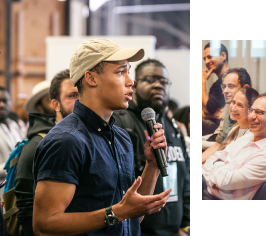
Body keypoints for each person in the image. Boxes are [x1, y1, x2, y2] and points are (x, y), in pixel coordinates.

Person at [32, 39, 172, 236]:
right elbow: (44, 225)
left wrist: (153, 165)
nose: (131, 81)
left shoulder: (121, 137)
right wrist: (116, 212)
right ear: (91, 78)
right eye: (121, 72)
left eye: (128, 71)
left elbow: (131, 218)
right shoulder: (67, 140)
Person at [113, 59, 190, 236]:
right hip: (138, 229)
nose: (158, 85)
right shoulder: (121, 122)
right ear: (135, 84)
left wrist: (185, 226)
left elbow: (186, 179)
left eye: (164, 82)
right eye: (150, 79)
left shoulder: (173, 127)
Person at [14, 69, 79, 236]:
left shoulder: (85, 138)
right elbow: (28, 213)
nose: (80, 102)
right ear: (55, 104)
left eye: (82, 94)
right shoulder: (37, 145)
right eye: (72, 96)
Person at [202, 95, 266, 200]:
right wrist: (221, 170)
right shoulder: (249, 135)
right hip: (208, 190)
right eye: (251, 110)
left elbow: (226, 182)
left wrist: (218, 163)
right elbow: (216, 155)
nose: (252, 116)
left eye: (259, 112)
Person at [202, 68, 251, 164]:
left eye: (231, 86)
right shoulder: (230, 109)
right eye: (224, 87)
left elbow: (222, 147)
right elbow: (218, 144)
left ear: (245, 88)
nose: (224, 91)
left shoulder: (252, 116)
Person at [202, 87, 259, 152]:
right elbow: (221, 152)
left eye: (240, 105)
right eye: (233, 102)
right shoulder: (233, 130)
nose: (233, 108)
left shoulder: (251, 135)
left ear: (251, 110)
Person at [0, 86, 24, 197]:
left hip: (17, 190)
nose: (2, 105)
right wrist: (13, 163)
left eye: (5, 101)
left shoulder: (14, 125)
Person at [202, 43, 230, 135]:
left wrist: (202, 81)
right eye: (204, 59)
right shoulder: (220, 81)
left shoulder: (226, 79)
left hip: (224, 128)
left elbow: (207, 110)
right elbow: (210, 112)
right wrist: (212, 114)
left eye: (210, 57)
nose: (206, 61)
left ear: (223, 55)